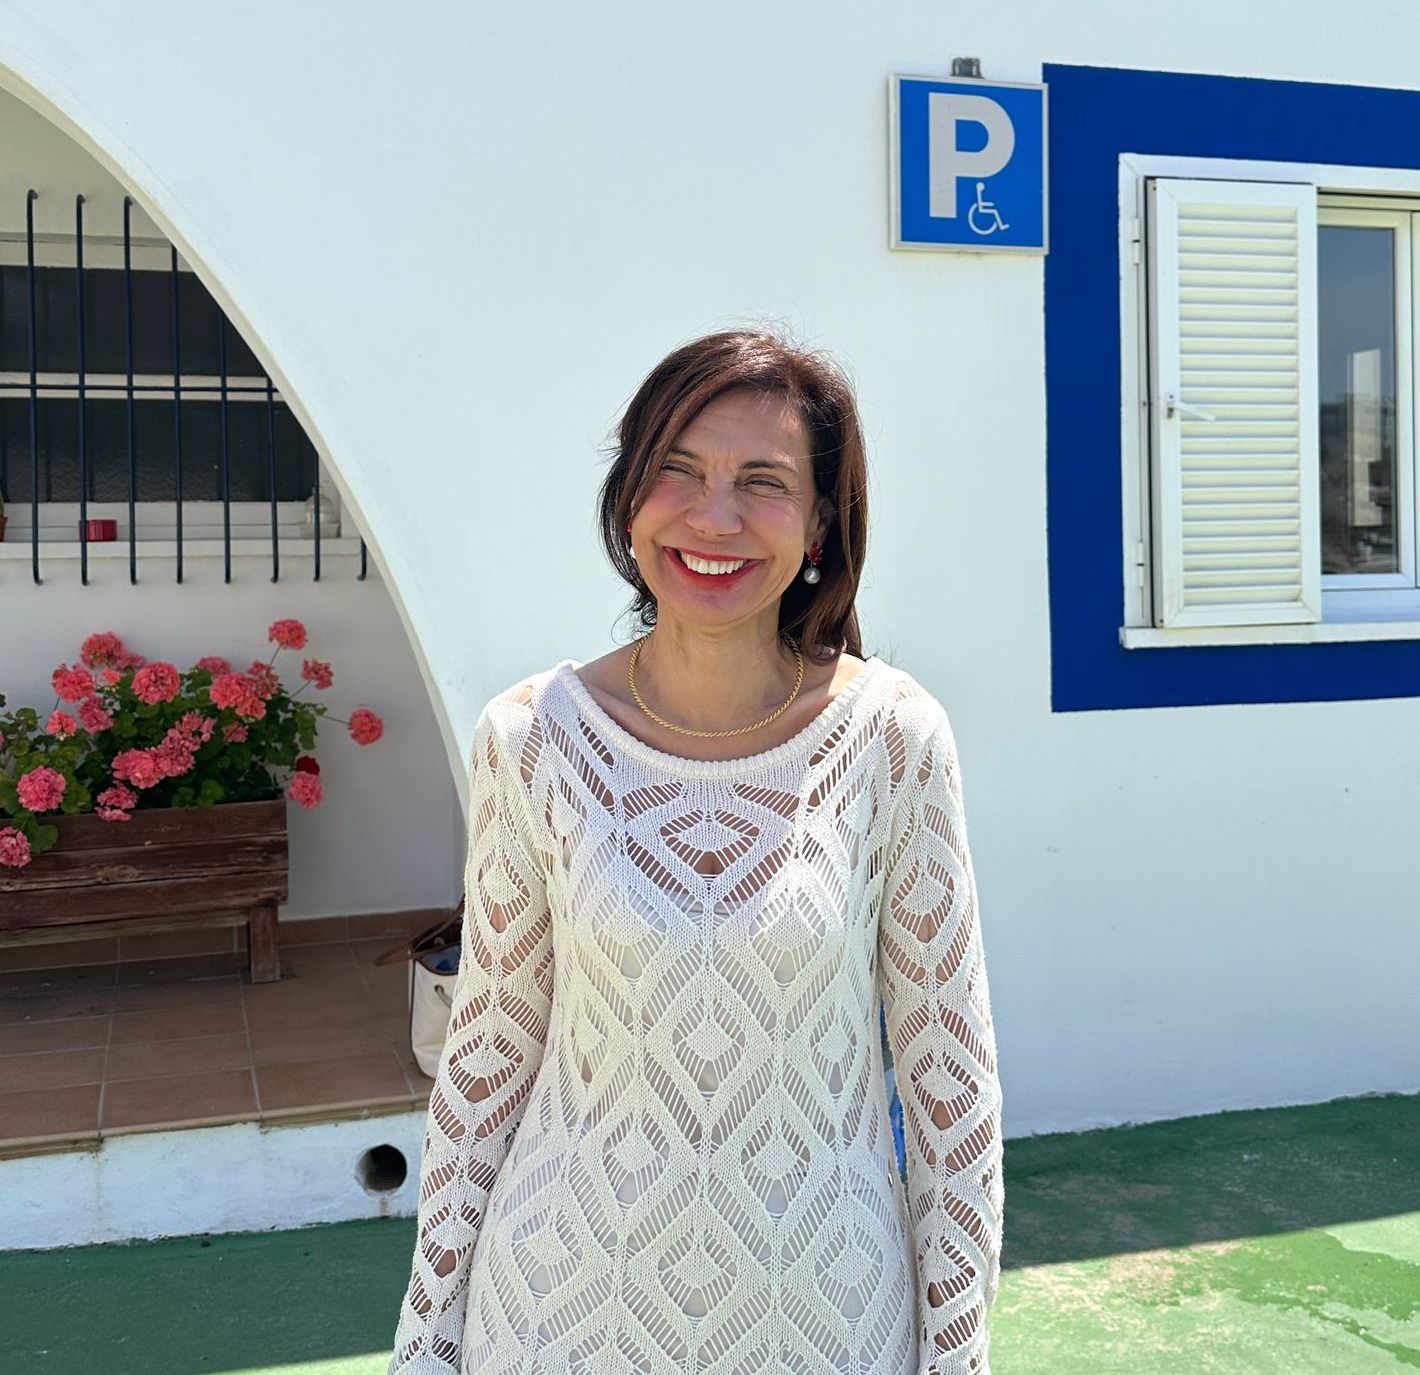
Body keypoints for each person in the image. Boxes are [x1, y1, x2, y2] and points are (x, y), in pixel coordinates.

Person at [387, 329, 1004, 1374]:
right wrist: (427, 1340)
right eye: (679, 469)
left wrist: (956, 1354)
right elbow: (487, 1062)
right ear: (629, 502)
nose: (714, 517)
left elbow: (954, 1094)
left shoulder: (893, 738)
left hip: (825, 1319)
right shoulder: (532, 737)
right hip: (556, 1317)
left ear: (818, 526)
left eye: (762, 483)